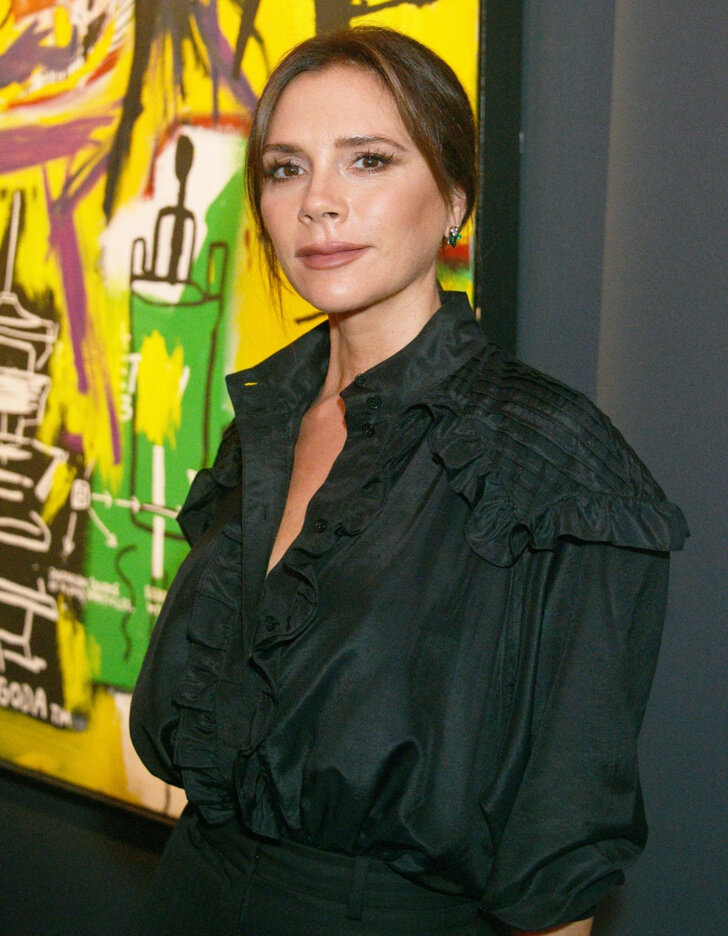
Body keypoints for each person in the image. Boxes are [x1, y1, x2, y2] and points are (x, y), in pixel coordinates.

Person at [130, 26, 687, 936]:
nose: (319, 203)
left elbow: (559, 854)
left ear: (455, 197)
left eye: (368, 160)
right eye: (286, 168)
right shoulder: (262, 425)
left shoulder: (549, 460)